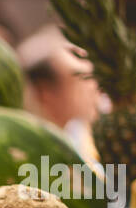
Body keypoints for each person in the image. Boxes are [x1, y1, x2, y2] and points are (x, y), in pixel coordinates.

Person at [17, 26, 101, 162]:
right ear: (45, 93)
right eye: (81, 80)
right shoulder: (32, 155)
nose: (93, 89)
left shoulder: (82, 136)